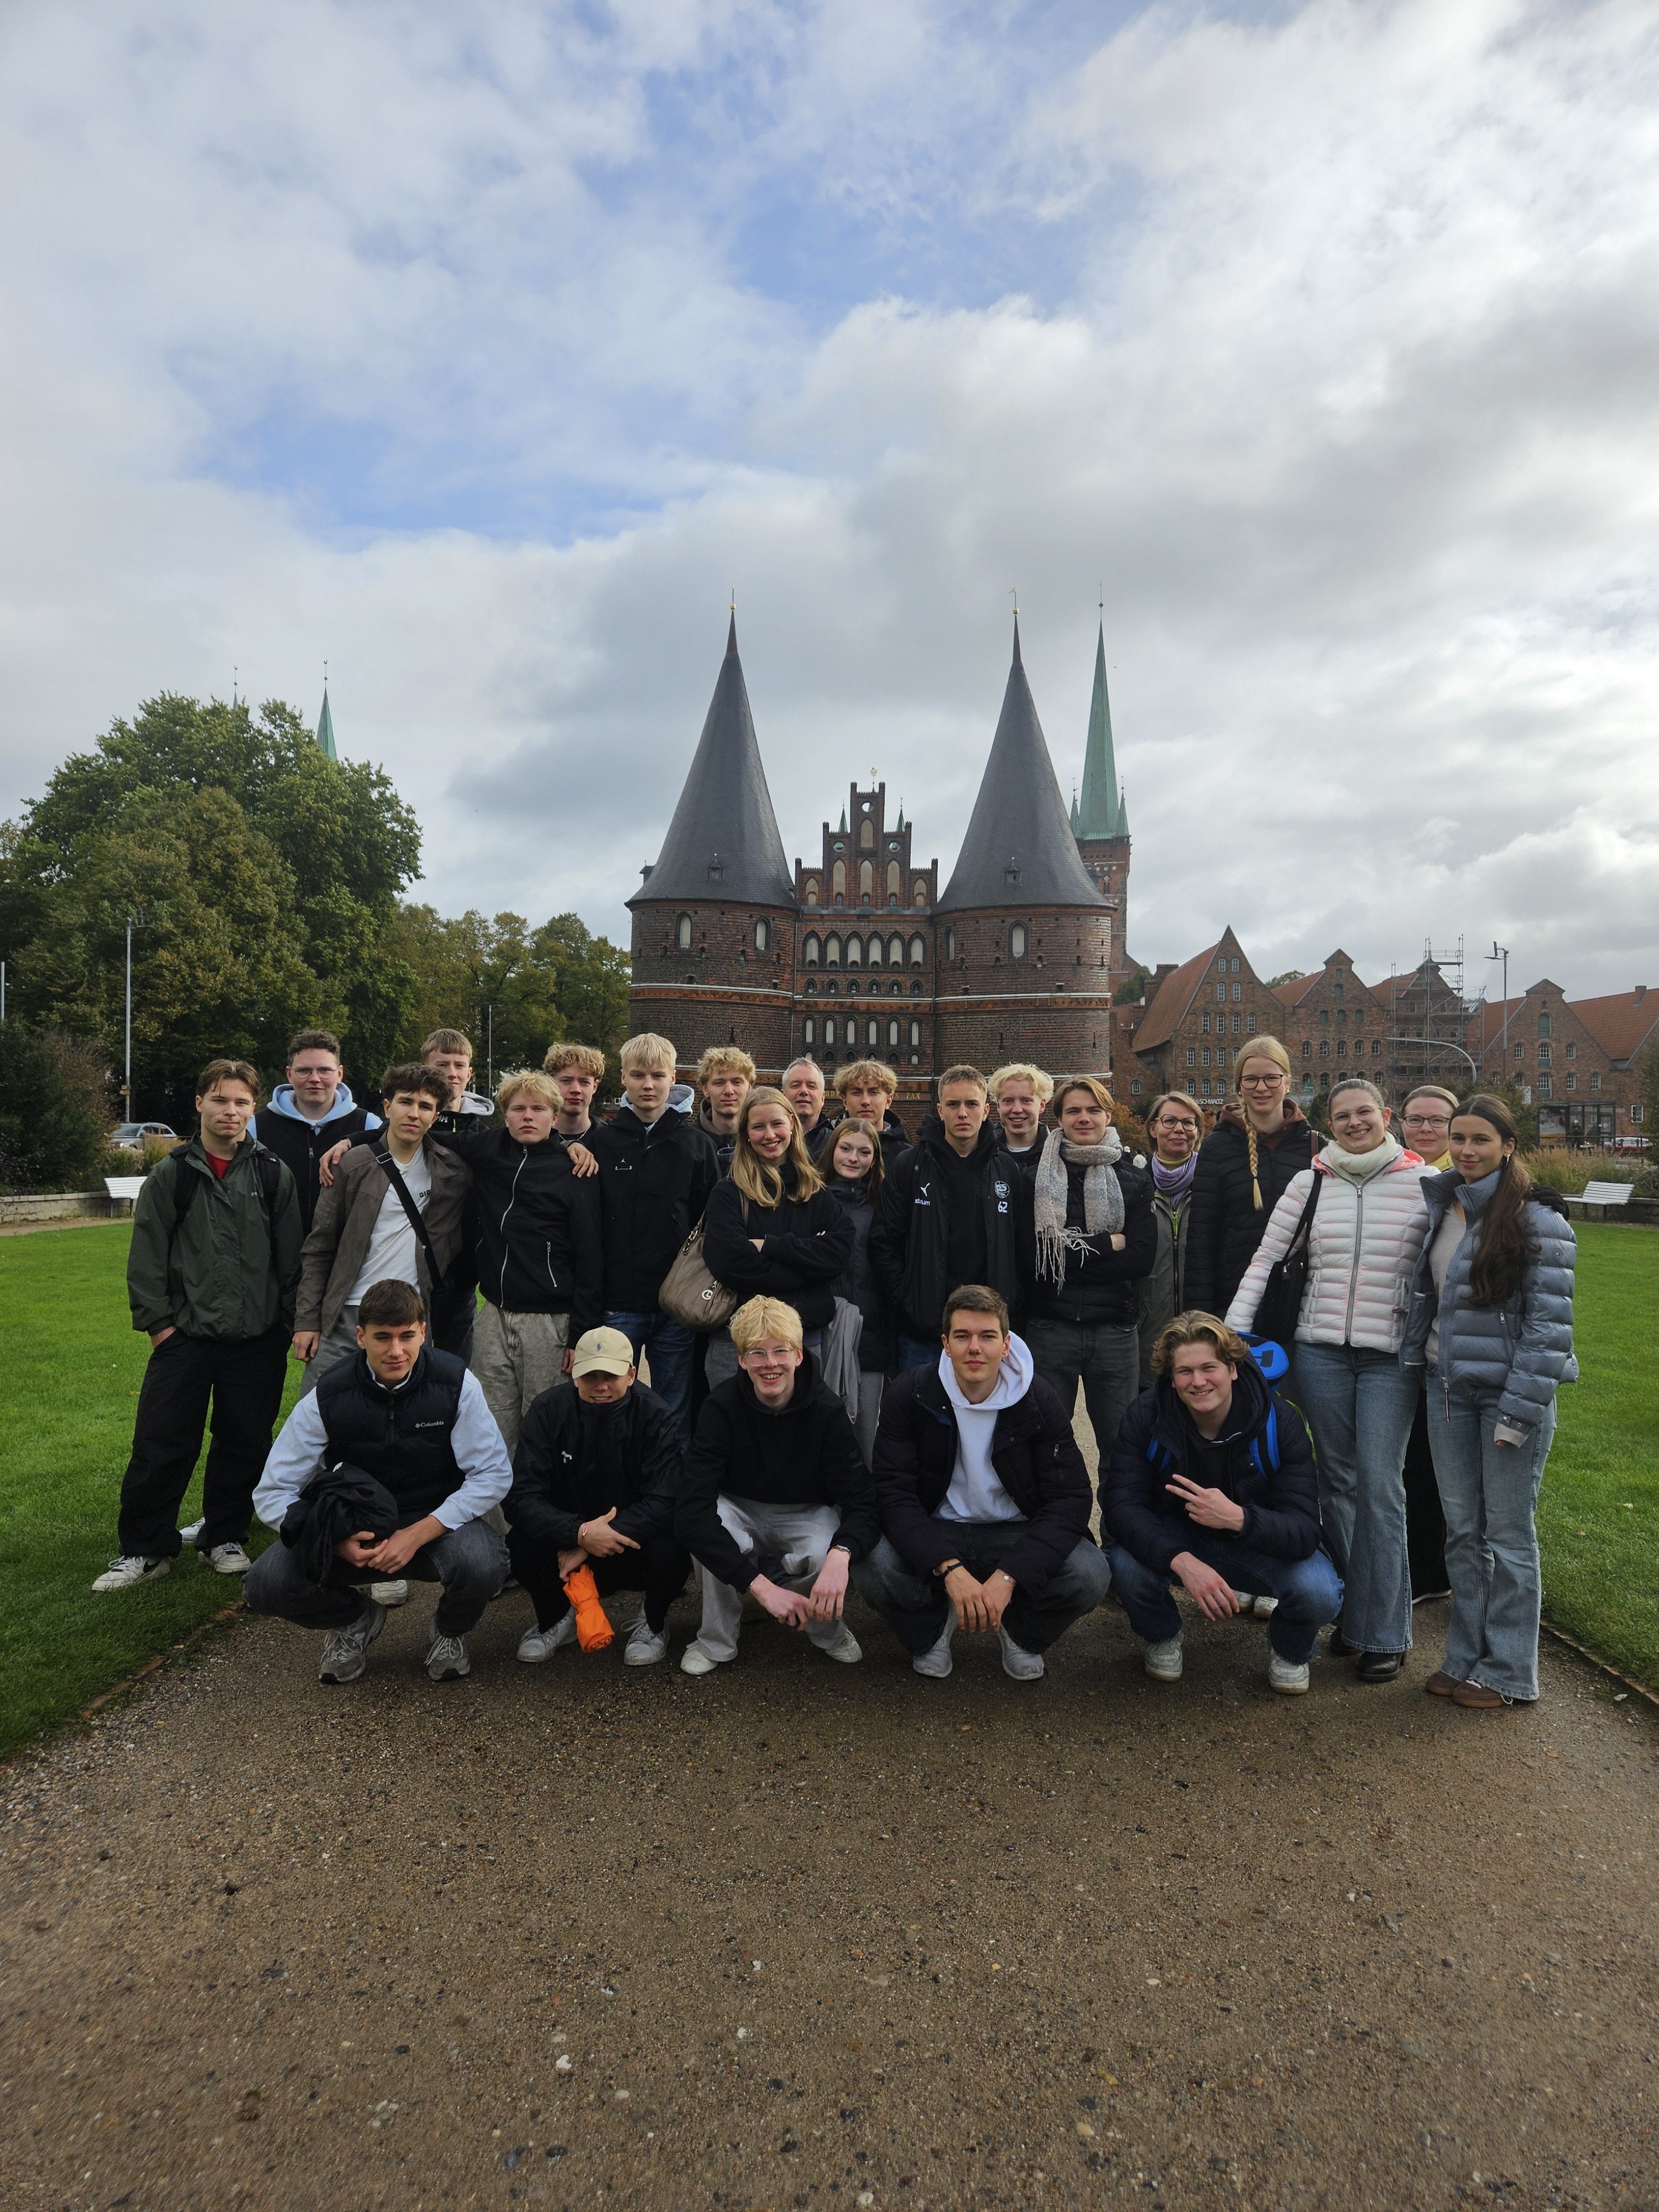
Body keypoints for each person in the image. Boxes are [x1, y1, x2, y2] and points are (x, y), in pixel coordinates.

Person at [1228, 1075, 1432, 1683]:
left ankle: (1386, 1631)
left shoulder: (1424, 1183)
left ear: (1386, 1115)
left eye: (1364, 1112)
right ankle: (1354, 1614)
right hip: (1320, 1349)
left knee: (1381, 1485)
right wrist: (1233, 1335)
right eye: (1342, 1116)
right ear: (1330, 1123)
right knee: (1338, 1483)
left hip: (1390, 1355)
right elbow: (1267, 1259)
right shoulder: (1310, 1182)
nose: (1354, 1123)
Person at [95, 1058, 303, 1593]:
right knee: (161, 1442)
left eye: (240, 1102)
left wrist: (285, 1322)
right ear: (200, 1103)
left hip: (256, 1339)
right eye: (219, 1099)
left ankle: (224, 1537)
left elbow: (292, 1260)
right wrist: (159, 1326)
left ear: (253, 1108)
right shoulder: (174, 1174)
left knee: (244, 1442)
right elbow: (147, 1256)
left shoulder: (272, 1173)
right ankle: (146, 1549)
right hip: (183, 1337)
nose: (230, 1110)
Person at [1401, 1095, 1577, 1709]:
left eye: (1481, 1139)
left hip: (1507, 1398)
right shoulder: (1442, 1205)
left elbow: (1549, 1332)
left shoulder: (1537, 1219)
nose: (1467, 1150)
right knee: (1463, 1532)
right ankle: (1464, 1655)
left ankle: (1508, 1671)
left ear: (1508, 1146)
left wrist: (1518, 1413)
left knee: (1508, 1535)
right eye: (1459, 1138)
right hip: (1448, 1390)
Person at [246, 1280, 512, 1683]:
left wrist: (417, 1535)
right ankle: (353, 1619)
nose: (396, 1351)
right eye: (382, 1337)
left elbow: (493, 1473)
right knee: (264, 1584)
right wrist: (332, 1539)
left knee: (486, 1562)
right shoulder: (328, 1393)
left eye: (407, 1336)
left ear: (423, 1332)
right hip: (352, 1529)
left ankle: (450, 1630)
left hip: (432, 1524)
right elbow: (272, 1490)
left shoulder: (457, 1383)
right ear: (361, 1336)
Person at [855, 1285, 1112, 1680]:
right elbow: (893, 1494)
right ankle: (931, 1631)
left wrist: (1010, 1576)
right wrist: (948, 1569)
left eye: (988, 1336)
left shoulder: (1038, 1399)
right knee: (873, 1565)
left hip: (1014, 1531)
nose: (975, 1348)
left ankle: (1019, 1633)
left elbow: (1071, 1500)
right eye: (962, 1336)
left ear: (1006, 1345)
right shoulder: (911, 1393)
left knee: (1090, 1574)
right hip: (939, 1527)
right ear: (945, 1344)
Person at [1102, 1313, 1343, 1694]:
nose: (1198, 1382)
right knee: (1123, 1564)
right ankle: (1162, 1634)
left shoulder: (1280, 1422)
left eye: (1208, 1368)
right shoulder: (1146, 1415)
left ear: (1233, 1369)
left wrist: (1239, 1519)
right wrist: (1180, 1560)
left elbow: (1304, 1529)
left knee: (1320, 1592)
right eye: (1184, 1372)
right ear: (1171, 1378)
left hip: (1254, 1542)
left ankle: (1290, 1649)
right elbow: (1121, 1506)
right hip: (1177, 1539)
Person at [675, 1295, 878, 1675]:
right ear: (741, 1360)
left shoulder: (827, 1410)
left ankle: (825, 1629)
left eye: (780, 1351)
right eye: (757, 1353)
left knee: (827, 1549)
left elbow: (862, 1499)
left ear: (799, 1355)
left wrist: (843, 1553)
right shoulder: (720, 1407)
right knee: (711, 1535)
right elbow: (690, 1509)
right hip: (736, 1504)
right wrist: (760, 1585)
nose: (770, 1364)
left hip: (805, 1511)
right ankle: (715, 1639)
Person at [431, 1070, 604, 1456]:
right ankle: (495, 1498)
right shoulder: (488, 1149)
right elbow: (416, 1134)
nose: (528, 1116)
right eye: (518, 1109)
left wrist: (580, 1334)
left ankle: (542, 1496)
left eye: (538, 1109)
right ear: (505, 1115)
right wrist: (352, 1140)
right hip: (494, 1312)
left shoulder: (574, 1170)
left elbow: (591, 1257)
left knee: (545, 1424)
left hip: (549, 1320)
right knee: (491, 1422)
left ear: (554, 1117)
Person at [504, 1326, 692, 1668]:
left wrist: (592, 1539)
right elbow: (520, 1497)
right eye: (591, 1376)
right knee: (520, 1543)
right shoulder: (547, 1411)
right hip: (566, 1543)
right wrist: (579, 1533)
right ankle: (555, 1617)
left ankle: (653, 1621)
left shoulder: (655, 1414)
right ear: (575, 1375)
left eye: (611, 1375)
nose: (601, 1386)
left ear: (631, 1375)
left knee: (677, 1543)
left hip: (629, 1543)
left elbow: (666, 1500)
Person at [293, 1060, 469, 1392]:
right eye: (405, 1102)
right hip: (348, 1312)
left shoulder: (452, 1172)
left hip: (411, 1315)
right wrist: (306, 1321)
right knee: (318, 1407)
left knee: (403, 1411)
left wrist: (567, 1145)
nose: (414, 1114)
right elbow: (319, 1248)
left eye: (425, 1107)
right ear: (388, 1107)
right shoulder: (351, 1165)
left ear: (435, 1117)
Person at [587, 1032, 721, 1444]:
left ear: (673, 1079)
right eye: (639, 1075)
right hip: (618, 1301)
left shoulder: (696, 1145)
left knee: (672, 1411)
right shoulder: (600, 1141)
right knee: (610, 1404)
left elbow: (709, 1224)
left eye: (657, 1076)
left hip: (674, 1305)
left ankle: (670, 1482)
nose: (648, 1085)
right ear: (623, 1078)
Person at [1016, 1074, 1155, 1467]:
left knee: (1121, 1451)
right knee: (1047, 1447)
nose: (1084, 1118)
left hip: (1114, 1332)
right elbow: (1035, 1262)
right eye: (1074, 1110)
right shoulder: (1034, 1179)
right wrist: (1108, 1245)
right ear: (1059, 1118)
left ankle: (1115, 1513)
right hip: (1051, 1329)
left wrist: (1065, 1255)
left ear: (1108, 1116)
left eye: (1093, 1110)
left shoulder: (1135, 1180)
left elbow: (1141, 1260)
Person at [870, 1065, 1023, 1372]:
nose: (963, 1113)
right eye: (953, 1105)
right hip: (925, 1333)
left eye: (971, 1104)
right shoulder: (909, 1165)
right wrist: (908, 1298)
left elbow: (1020, 1246)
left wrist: (1012, 1298)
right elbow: (883, 1241)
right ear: (940, 1110)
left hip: (989, 1331)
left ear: (986, 1111)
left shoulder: (1006, 1169)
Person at [700, 1086, 853, 1388]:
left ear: (792, 1125)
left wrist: (770, 1246)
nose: (769, 1135)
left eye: (777, 1124)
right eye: (758, 1127)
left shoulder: (815, 1191)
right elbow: (730, 1263)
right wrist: (807, 1272)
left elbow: (838, 1253)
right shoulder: (728, 1193)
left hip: (804, 1340)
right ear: (746, 1134)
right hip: (740, 1343)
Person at [1184, 1037, 1317, 1319]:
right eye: (1251, 1080)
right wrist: (1202, 1318)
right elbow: (1202, 1240)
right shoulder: (1217, 1148)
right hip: (1232, 1303)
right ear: (1239, 1087)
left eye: (1271, 1078)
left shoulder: (1314, 1148)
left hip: (1300, 1304)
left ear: (1288, 1082)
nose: (1261, 1087)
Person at [1396, 1088, 1460, 1600]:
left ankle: (1432, 1570)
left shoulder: (1466, 1181)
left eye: (1437, 1121)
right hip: (1398, 1333)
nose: (1425, 1129)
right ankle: (1420, 1564)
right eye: (1415, 1119)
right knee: (1409, 1458)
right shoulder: (1396, 1173)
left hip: (1446, 1341)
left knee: (1434, 1462)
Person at [250, 1029, 381, 1233]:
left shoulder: (368, 1125)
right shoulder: (256, 1127)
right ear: (289, 1074)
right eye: (304, 1071)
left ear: (339, 1074)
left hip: (343, 1248)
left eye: (325, 1070)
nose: (315, 1078)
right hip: (274, 1248)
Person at [822, 1116, 896, 1462]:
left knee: (867, 1436)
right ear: (832, 1150)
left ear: (875, 1158)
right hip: (822, 1331)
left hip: (871, 1335)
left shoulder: (884, 1204)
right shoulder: (811, 1199)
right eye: (846, 1149)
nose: (854, 1158)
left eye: (864, 1152)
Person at [420, 1026, 495, 1360]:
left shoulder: (485, 1135)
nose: (451, 1073)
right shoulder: (404, 1126)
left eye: (459, 1065)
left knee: (456, 1368)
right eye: (442, 1065)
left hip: (463, 1272)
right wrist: (350, 1141)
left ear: (469, 1073)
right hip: (409, 1267)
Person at [1136, 1091, 1204, 1386]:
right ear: (1154, 1128)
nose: (1179, 1129)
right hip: (1149, 1329)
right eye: (1170, 1121)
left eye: (1188, 1123)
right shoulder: (1135, 1185)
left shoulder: (1211, 1184)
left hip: (1202, 1326)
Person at [834, 1060, 911, 1170]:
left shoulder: (907, 1158)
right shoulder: (829, 1150)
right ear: (845, 1101)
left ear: (888, 1101)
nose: (865, 1101)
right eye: (857, 1093)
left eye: (873, 1092)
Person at [696, 1046, 755, 1174]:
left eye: (737, 1082)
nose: (729, 1091)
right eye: (719, 1083)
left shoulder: (761, 1142)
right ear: (705, 1089)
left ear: (749, 1087)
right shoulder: (691, 1144)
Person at [542, 1042, 607, 1149]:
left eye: (584, 1082)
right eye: (566, 1081)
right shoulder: (532, 1139)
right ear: (550, 1084)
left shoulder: (610, 1141)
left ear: (595, 1087)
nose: (576, 1090)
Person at [988, 1063, 1052, 1162]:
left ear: (1042, 1105)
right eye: (1008, 1101)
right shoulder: (982, 1155)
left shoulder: (1059, 1155)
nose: (1017, 1110)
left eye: (1026, 1101)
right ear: (999, 1106)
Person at [782, 1057, 836, 1162]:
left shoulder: (836, 1144)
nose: (804, 1091)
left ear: (822, 1098)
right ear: (783, 1096)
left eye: (811, 1086)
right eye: (796, 1085)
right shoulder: (771, 1140)